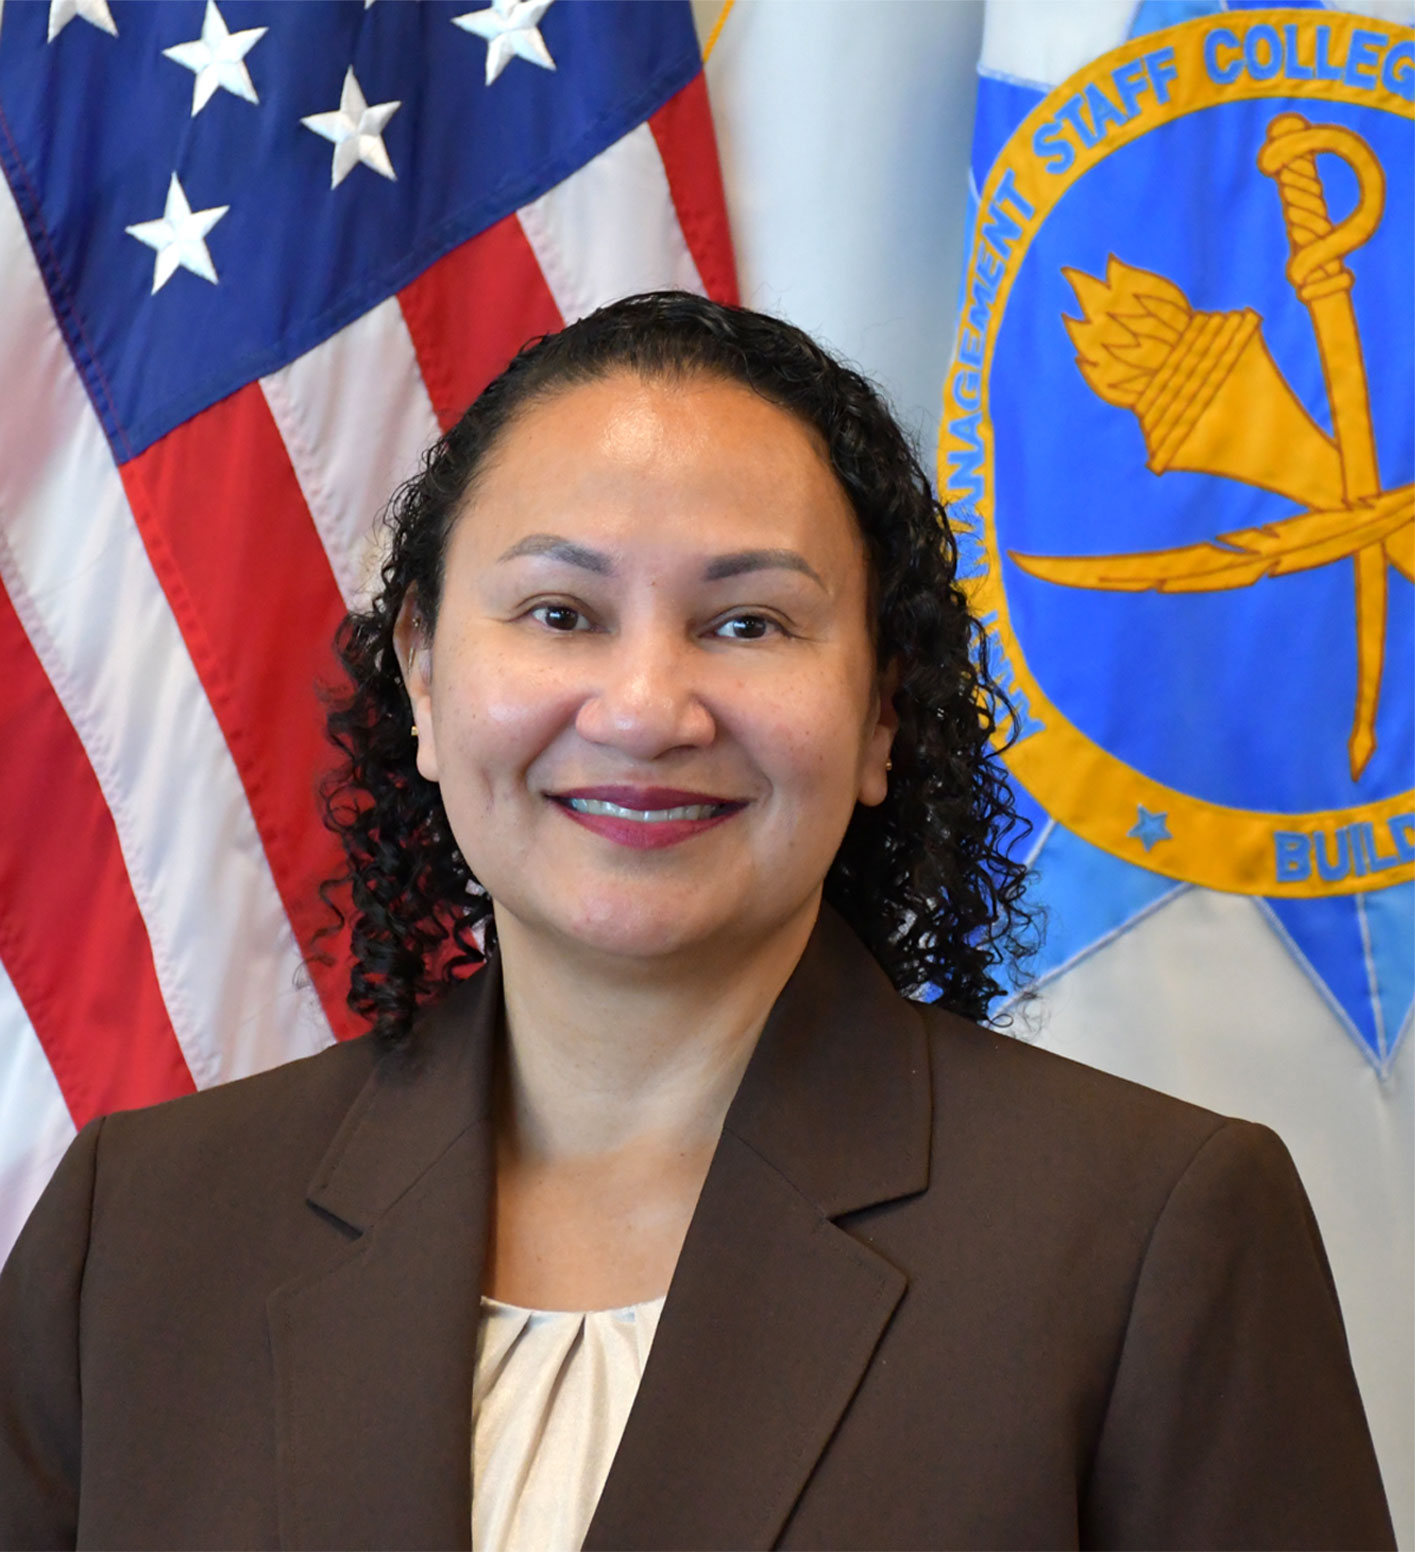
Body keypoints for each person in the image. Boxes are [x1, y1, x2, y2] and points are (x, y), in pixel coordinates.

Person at [0, 293, 1394, 1552]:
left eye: (748, 625)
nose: (646, 710)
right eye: (560, 612)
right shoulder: (135, 1238)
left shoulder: (1151, 1235)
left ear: (882, 713)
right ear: (420, 675)